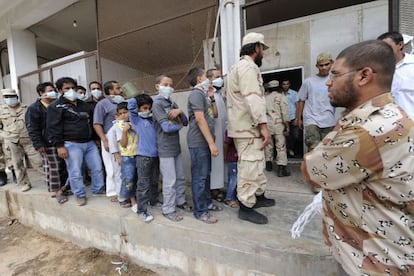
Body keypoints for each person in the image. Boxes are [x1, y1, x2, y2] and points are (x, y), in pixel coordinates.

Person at [301, 40, 414, 275]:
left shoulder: (367, 131)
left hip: (371, 263)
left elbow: (311, 171)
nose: (328, 83)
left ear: (364, 76)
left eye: (335, 74)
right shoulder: (392, 116)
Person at [227, 32, 275, 224]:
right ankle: (246, 206)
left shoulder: (236, 67)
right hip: (248, 128)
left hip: (246, 127)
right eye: (262, 48)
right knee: (249, 166)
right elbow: (252, 97)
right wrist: (263, 126)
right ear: (256, 48)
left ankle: (258, 195)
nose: (263, 52)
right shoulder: (248, 67)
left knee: (257, 164)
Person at [47, 77, 105, 206]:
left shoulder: (84, 105)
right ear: (60, 90)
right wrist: (59, 146)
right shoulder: (55, 106)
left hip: (89, 143)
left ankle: (98, 190)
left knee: (97, 168)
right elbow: (53, 128)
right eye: (67, 88)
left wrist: (95, 139)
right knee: (75, 171)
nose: (71, 91)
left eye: (73, 88)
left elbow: (92, 123)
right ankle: (80, 194)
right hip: (71, 144)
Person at [152, 75, 190, 222]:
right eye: (165, 84)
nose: (168, 87)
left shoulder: (171, 102)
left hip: (175, 147)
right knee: (170, 180)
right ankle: (168, 209)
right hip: (165, 148)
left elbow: (186, 121)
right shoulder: (157, 104)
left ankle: (180, 201)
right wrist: (179, 125)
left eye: (170, 85)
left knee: (180, 177)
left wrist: (180, 111)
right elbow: (166, 128)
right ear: (157, 86)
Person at [187, 67, 221, 224]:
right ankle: (200, 211)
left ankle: (207, 204)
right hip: (199, 142)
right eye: (205, 76)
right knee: (200, 177)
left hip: (205, 142)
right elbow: (200, 119)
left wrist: (212, 97)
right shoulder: (195, 94)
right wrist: (212, 143)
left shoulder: (204, 95)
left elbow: (214, 114)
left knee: (206, 175)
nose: (209, 79)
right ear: (199, 79)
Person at [25, 82, 68, 203]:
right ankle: (57, 189)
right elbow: (32, 128)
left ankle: (52, 188)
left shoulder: (56, 105)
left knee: (49, 166)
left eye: (54, 90)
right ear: (41, 93)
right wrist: (38, 144)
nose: (53, 92)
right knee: (54, 166)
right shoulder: (34, 108)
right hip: (46, 142)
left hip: (57, 139)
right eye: (50, 90)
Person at [0, 88, 43, 192]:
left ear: (16, 97)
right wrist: (5, 136)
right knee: (17, 164)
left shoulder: (27, 108)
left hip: (28, 139)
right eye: (6, 97)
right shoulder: (1, 110)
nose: (9, 99)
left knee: (38, 161)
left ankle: (50, 179)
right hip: (12, 140)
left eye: (11, 96)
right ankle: (24, 183)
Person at [128, 94, 160, 223]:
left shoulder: (152, 120)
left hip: (156, 156)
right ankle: (142, 210)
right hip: (143, 157)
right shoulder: (136, 120)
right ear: (138, 109)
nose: (147, 111)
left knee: (154, 181)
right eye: (144, 108)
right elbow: (131, 103)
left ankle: (153, 201)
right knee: (143, 184)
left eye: (149, 108)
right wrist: (138, 97)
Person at [296, 52, 336, 152]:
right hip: (311, 119)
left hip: (328, 119)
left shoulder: (334, 80)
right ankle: (311, 167)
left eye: (326, 64)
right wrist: (298, 118)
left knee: (327, 149)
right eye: (321, 65)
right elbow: (301, 100)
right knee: (313, 148)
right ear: (317, 66)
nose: (323, 67)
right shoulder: (308, 82)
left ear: (331, 63)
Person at [93, 80, 124, 202]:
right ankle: (112, 192)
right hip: (109, 137)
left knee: (122, 165)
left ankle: (123, 189)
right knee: (111, 166)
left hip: (123, 137)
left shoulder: (122, 102)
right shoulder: (102, 104)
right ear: (110, 91)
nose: (120, 90)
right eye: (117, 88)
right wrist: (105, 140)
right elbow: (97, 123)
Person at [378, 31, 414, 119]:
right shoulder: (379, 69)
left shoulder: (412, 64)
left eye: (388, 47)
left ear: (400, 45)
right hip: (390, 124)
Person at [107, 102, 136, 209]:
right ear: (117, 115)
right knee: (120, 176)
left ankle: (131, 195)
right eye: (121, 113)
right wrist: (116, 155)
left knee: (130, 177)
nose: (123, 115)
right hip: (119, 156)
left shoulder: (132, 124)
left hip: (131, 155)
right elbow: (112, 143)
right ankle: (122, 197)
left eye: (125, 112)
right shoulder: (116, 127)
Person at [206, 68, 227, 202]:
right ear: (209, 79)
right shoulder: (208, 95)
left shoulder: (220, 95)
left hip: (223, 132)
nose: (220, 79)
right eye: (217, 76)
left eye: (220, 76)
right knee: (215, 163)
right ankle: (214, 189)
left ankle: (219, 186)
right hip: (214, 134)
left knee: (221, 162)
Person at [264, 80, 290, 177]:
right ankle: (281, 169)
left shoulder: (264, 98)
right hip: (279, 124)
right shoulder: (281, 97)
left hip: (267, 125)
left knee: (268, 145)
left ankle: (269, 164)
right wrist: (287, 127)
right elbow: (285, 113)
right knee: (281, 146)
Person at [281, 79, 301, 157]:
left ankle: (290, 149)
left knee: (295, 135)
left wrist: (297, 118)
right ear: (281, 85)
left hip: (293, 117)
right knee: (286, 136)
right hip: (284, 119)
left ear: (289, 85)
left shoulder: (294, 93)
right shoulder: (280, 95)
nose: (285, 85)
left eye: (287, 84)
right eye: (284, 84)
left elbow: (297, 106)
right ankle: (287, 151)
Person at [223, 130, 239, 209]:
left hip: (236, 158)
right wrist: (225, 156)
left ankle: (232, 196)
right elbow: (226, 144)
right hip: (232, 158)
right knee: (234, 178)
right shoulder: (230, 129)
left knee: (232, 178)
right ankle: (229, 199)